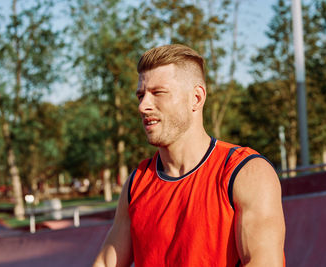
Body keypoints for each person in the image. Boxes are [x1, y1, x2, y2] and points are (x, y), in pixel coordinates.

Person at [93, 44, 285, 266]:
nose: (143, 106)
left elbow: (263, 262)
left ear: (196, 98)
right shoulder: (136, 183)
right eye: (141, 95)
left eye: (158, 93)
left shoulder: (245, 172)